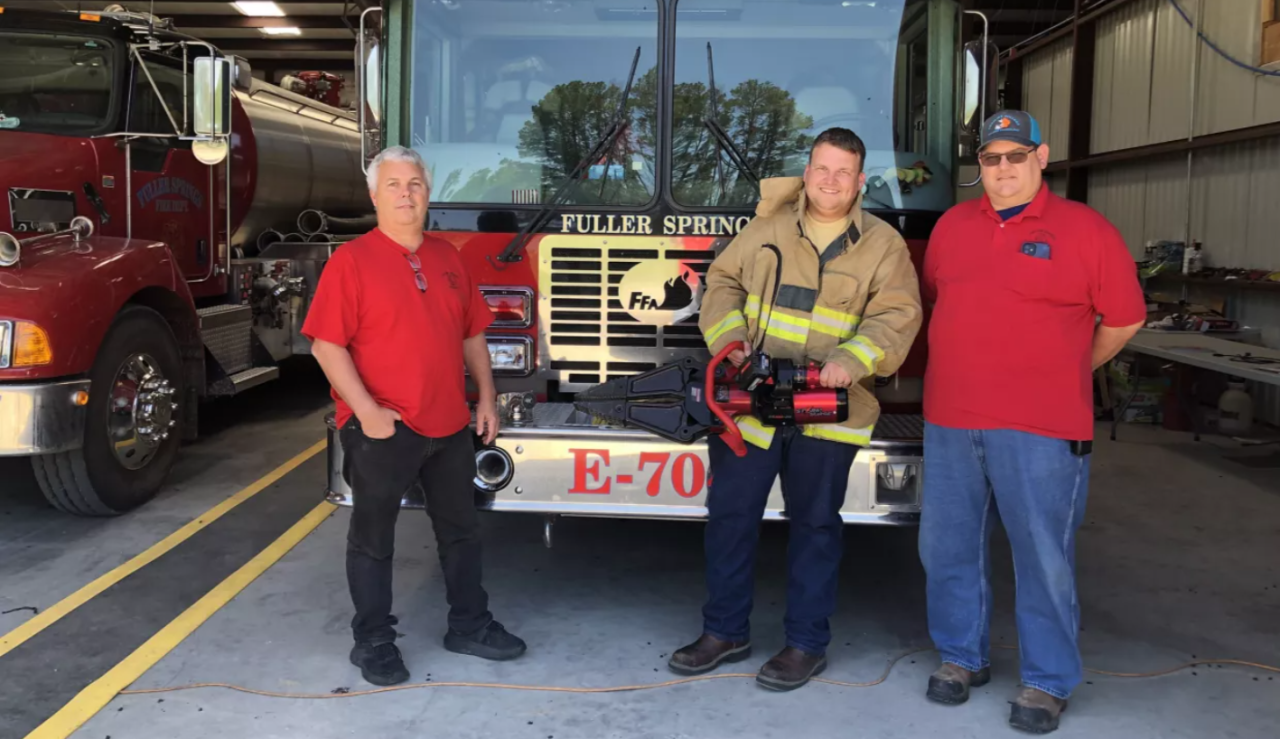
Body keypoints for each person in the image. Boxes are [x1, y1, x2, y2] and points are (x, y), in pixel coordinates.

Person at [671, 128, 924, 691]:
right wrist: (731, 341)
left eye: (843, 173)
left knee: (815, 527)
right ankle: (724, 630)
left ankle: (806, 644)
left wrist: (853, 360)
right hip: (751, 408)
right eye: (821, 169)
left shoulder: (883, 245)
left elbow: (897, 315)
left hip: (828, 408)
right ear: (806, 172)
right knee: (731, 521)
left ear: (860, 182)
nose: (830, 181)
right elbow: (722, 283)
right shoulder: (765, 231)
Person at [919, 111, 1145, 733]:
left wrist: (1068, 368)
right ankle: (961, 657)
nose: (1002, 169)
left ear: (1041, 157)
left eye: (1015, 156)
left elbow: (1124, 320)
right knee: (947, 547)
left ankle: (1047, 680)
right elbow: (940, 297)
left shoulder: (1086, 230)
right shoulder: (952, 228)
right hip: (951, 420)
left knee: (1043, 555)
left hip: (1042, 427)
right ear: (980, 167)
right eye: (991, 158)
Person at [302, 146, 526, 687]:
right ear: (375, 195)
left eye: (416, 184)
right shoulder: (350, 262)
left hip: (449, 426)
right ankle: (374, 642)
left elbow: (473, 333)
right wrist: (369, 413)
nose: (407, 194)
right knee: (373, 540)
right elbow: (326, 347)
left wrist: (486, 398)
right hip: (384, 431)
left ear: (428, 192)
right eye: (395, 185)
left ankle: (469, 625)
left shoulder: (450, 258)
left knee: (462, 532)